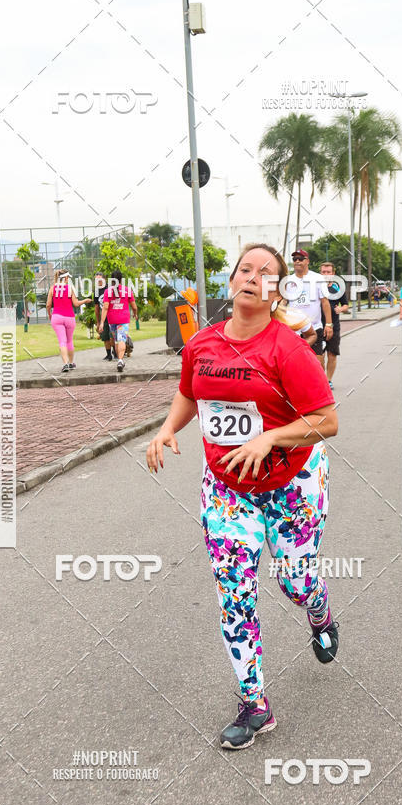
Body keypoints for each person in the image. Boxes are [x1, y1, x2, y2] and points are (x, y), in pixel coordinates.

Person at [147, 243, 339, 750]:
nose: (253, 277)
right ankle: (254, 704)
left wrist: (269, 438)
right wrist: (167, 428)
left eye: (267, 273)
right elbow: (192, 392)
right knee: (234, 594)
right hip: (229, 490)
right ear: (231, 281)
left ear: (277, 291)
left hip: (292, 486)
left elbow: (327, 422)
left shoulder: (288, 349)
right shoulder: (203, 344)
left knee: (295, 585)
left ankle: (318, 610)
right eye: (245, 269)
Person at [288, 249, 332, 361]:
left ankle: (322, 379)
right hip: (295, 329)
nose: (297, 261)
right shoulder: (288, 280)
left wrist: (328, 324)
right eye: (295, 259)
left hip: (314, 327)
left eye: (300, 259)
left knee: (318, 361)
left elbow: (325, 302)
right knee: (297, 361)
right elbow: (284, 302)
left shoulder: (317, 278)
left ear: (307, 261)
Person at [46, 270, 91, 372]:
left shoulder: (53, 288)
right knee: (69, 341)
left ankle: (65, 364)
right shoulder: (70, 288)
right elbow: (75, 304)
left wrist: (49, 314)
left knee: (62, 341)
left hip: (57, 317)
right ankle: (71, 363)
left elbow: (48, 305)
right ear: (66, 278)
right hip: (69, 317)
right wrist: (85, 300)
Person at [98, 269, 138, 373]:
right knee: (122, 339)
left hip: (112, 320)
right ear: (121, 279)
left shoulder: (108, 291)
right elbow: (134, 306)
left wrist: (102, 322)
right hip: (123, 319)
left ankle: (118, 358)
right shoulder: (127, 290)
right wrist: (135, 313)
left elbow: (105, 308)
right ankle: (120, 360)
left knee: (116, 340)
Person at [319, 262, 349, 389]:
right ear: (320, 273)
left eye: (328, 272)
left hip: (333, 326)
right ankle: (320, 379)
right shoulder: (315, 287)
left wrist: (340, 309)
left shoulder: (338, 288)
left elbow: (346, 305)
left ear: (333, 274)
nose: (326, 275)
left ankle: (328, 380)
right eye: (323, 272)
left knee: (332, 354)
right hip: (317, 326)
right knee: (319, 356)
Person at [93, 272, 115, 361]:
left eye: (100, 279)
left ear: (104, 279)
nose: (98, 281)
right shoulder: (97, 292)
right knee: (105, 336)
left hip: (112, 315)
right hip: (103, 316)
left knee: (112, 335)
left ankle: (116, 352)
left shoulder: (109, 288)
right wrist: (98, 322)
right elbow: (97, 307)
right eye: (96, 280)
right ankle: (108, 354)